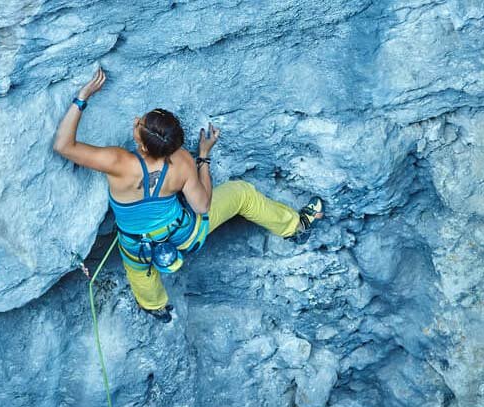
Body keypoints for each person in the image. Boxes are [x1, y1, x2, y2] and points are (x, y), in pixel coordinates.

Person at [53, 68, 324, 323]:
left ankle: (155, 306)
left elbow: (64, 145)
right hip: (185, 235)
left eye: (140, 125)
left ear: (142, 144)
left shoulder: (118, 162)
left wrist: (82, 97)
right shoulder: (181, 161)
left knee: (138, 270)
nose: (136, 121)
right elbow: (202, 205)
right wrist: (203, 158)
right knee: (242, 194)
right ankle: (294, 227)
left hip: (140, 249)